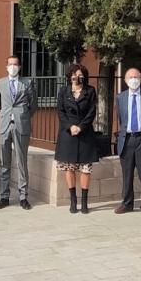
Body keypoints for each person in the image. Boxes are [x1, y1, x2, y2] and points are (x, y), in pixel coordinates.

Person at [54, 64, 98, 213]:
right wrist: (70, 126)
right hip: (68, 134)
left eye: (80, 75)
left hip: (85, 133)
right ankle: (73, 201)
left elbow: (92, 111)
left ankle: (84, 202)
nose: (76, 77)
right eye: (74, 75)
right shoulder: (63, 91)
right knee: (70, 168)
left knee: (86, 169)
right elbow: (60, 111)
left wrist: (81, 127)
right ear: (69, 76)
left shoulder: (90, 91)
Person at [114, 67, 141, 217]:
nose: (133, 80)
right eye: (130, 77)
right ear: (125, 81)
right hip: (126, 140)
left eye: (136, 77)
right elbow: (121, 120)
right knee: (127, 174)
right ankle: (127, 203)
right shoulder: (120, 98)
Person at [0, 56, 34, 210]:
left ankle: (23, 196)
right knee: (4, 162)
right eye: (10, 64)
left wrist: (22, 115)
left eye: (15, 64)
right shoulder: (0, 83)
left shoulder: (27, 83)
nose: (13, 67)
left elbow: (33, 105)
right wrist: (7, 115)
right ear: (6, 66)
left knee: (22, 162)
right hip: (4, 126)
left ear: (20, 66)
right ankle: (4, 196)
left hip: (21, 126)